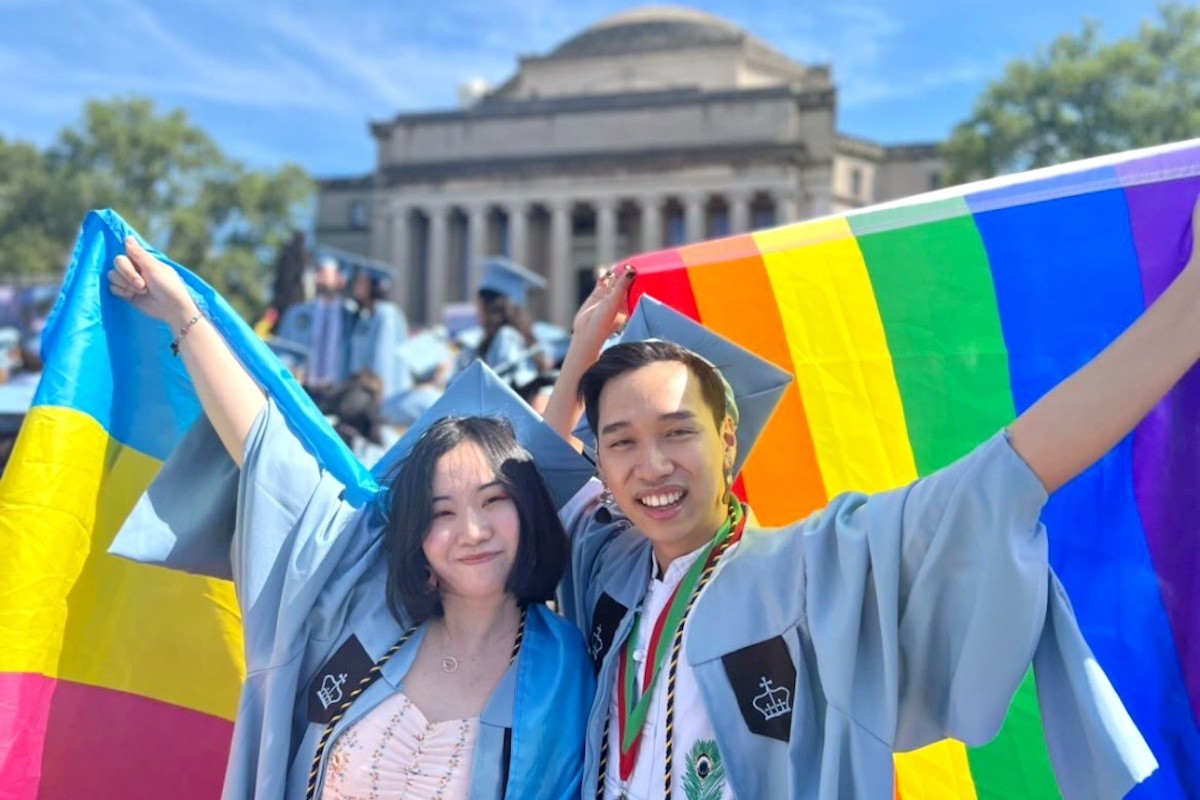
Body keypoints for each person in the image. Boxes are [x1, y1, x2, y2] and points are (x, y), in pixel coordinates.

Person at [541, 191, 1200, 800]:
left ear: (728, 440)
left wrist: (1188, 308)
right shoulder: (613, 569)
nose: (651, 466)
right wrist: (581, 353)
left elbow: (1005, 476)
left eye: (678, 432)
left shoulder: (810, 568)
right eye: (621, 441)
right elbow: (546, 479)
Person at [105, 238, 595, 800]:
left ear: (528, 510)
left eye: (493, 501)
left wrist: (586, 348)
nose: (472, 532)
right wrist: (183, 316)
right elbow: (268, 455)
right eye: (442, 511)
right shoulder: (365, 604)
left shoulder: (565, 669)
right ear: (414, 532)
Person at [462, 258, 552, 408]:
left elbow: (501, 386)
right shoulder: (512, 336)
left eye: (479, 304)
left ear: (488, 306)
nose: (476, 310)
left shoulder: (506, 337)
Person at [275, 257, 355, 402]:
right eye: (318, 273)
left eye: (324, 274)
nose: (319, 279)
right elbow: (283, 351)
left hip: (337, 394)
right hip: (304, 390)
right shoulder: (297, 314)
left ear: (340, 279)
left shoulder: (351, 317)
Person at [347, 269, 412, 401]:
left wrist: (379, 392)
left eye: (362, 282)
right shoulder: (365, 315)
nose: (356, 286)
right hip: (365, 389)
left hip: (385, 392)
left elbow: (384, 356)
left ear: (374, 286)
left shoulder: (386, 314)